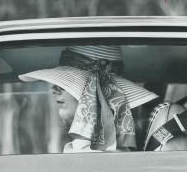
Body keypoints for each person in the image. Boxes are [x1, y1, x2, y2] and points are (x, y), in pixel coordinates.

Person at [19, 45, 186, 152]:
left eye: (66, 83)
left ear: (96, 90)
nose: (54, 89)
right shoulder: (78, 145)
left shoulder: (166, 122)